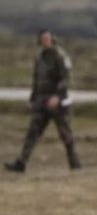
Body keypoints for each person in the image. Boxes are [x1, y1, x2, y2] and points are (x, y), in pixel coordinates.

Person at [5, 30, 82, 173]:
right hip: (41, 100)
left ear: (52, 39)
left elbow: (65, 78)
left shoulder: (60, 55)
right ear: (39, 41)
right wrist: (32, 98)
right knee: (32, 133)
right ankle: (21, 163)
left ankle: (75, 164)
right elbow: (36, 79)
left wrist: (57, 96)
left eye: (48, 38)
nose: (46, 41)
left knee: (65, 133)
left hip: (57, 102)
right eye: (43, 39)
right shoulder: (39, 57)